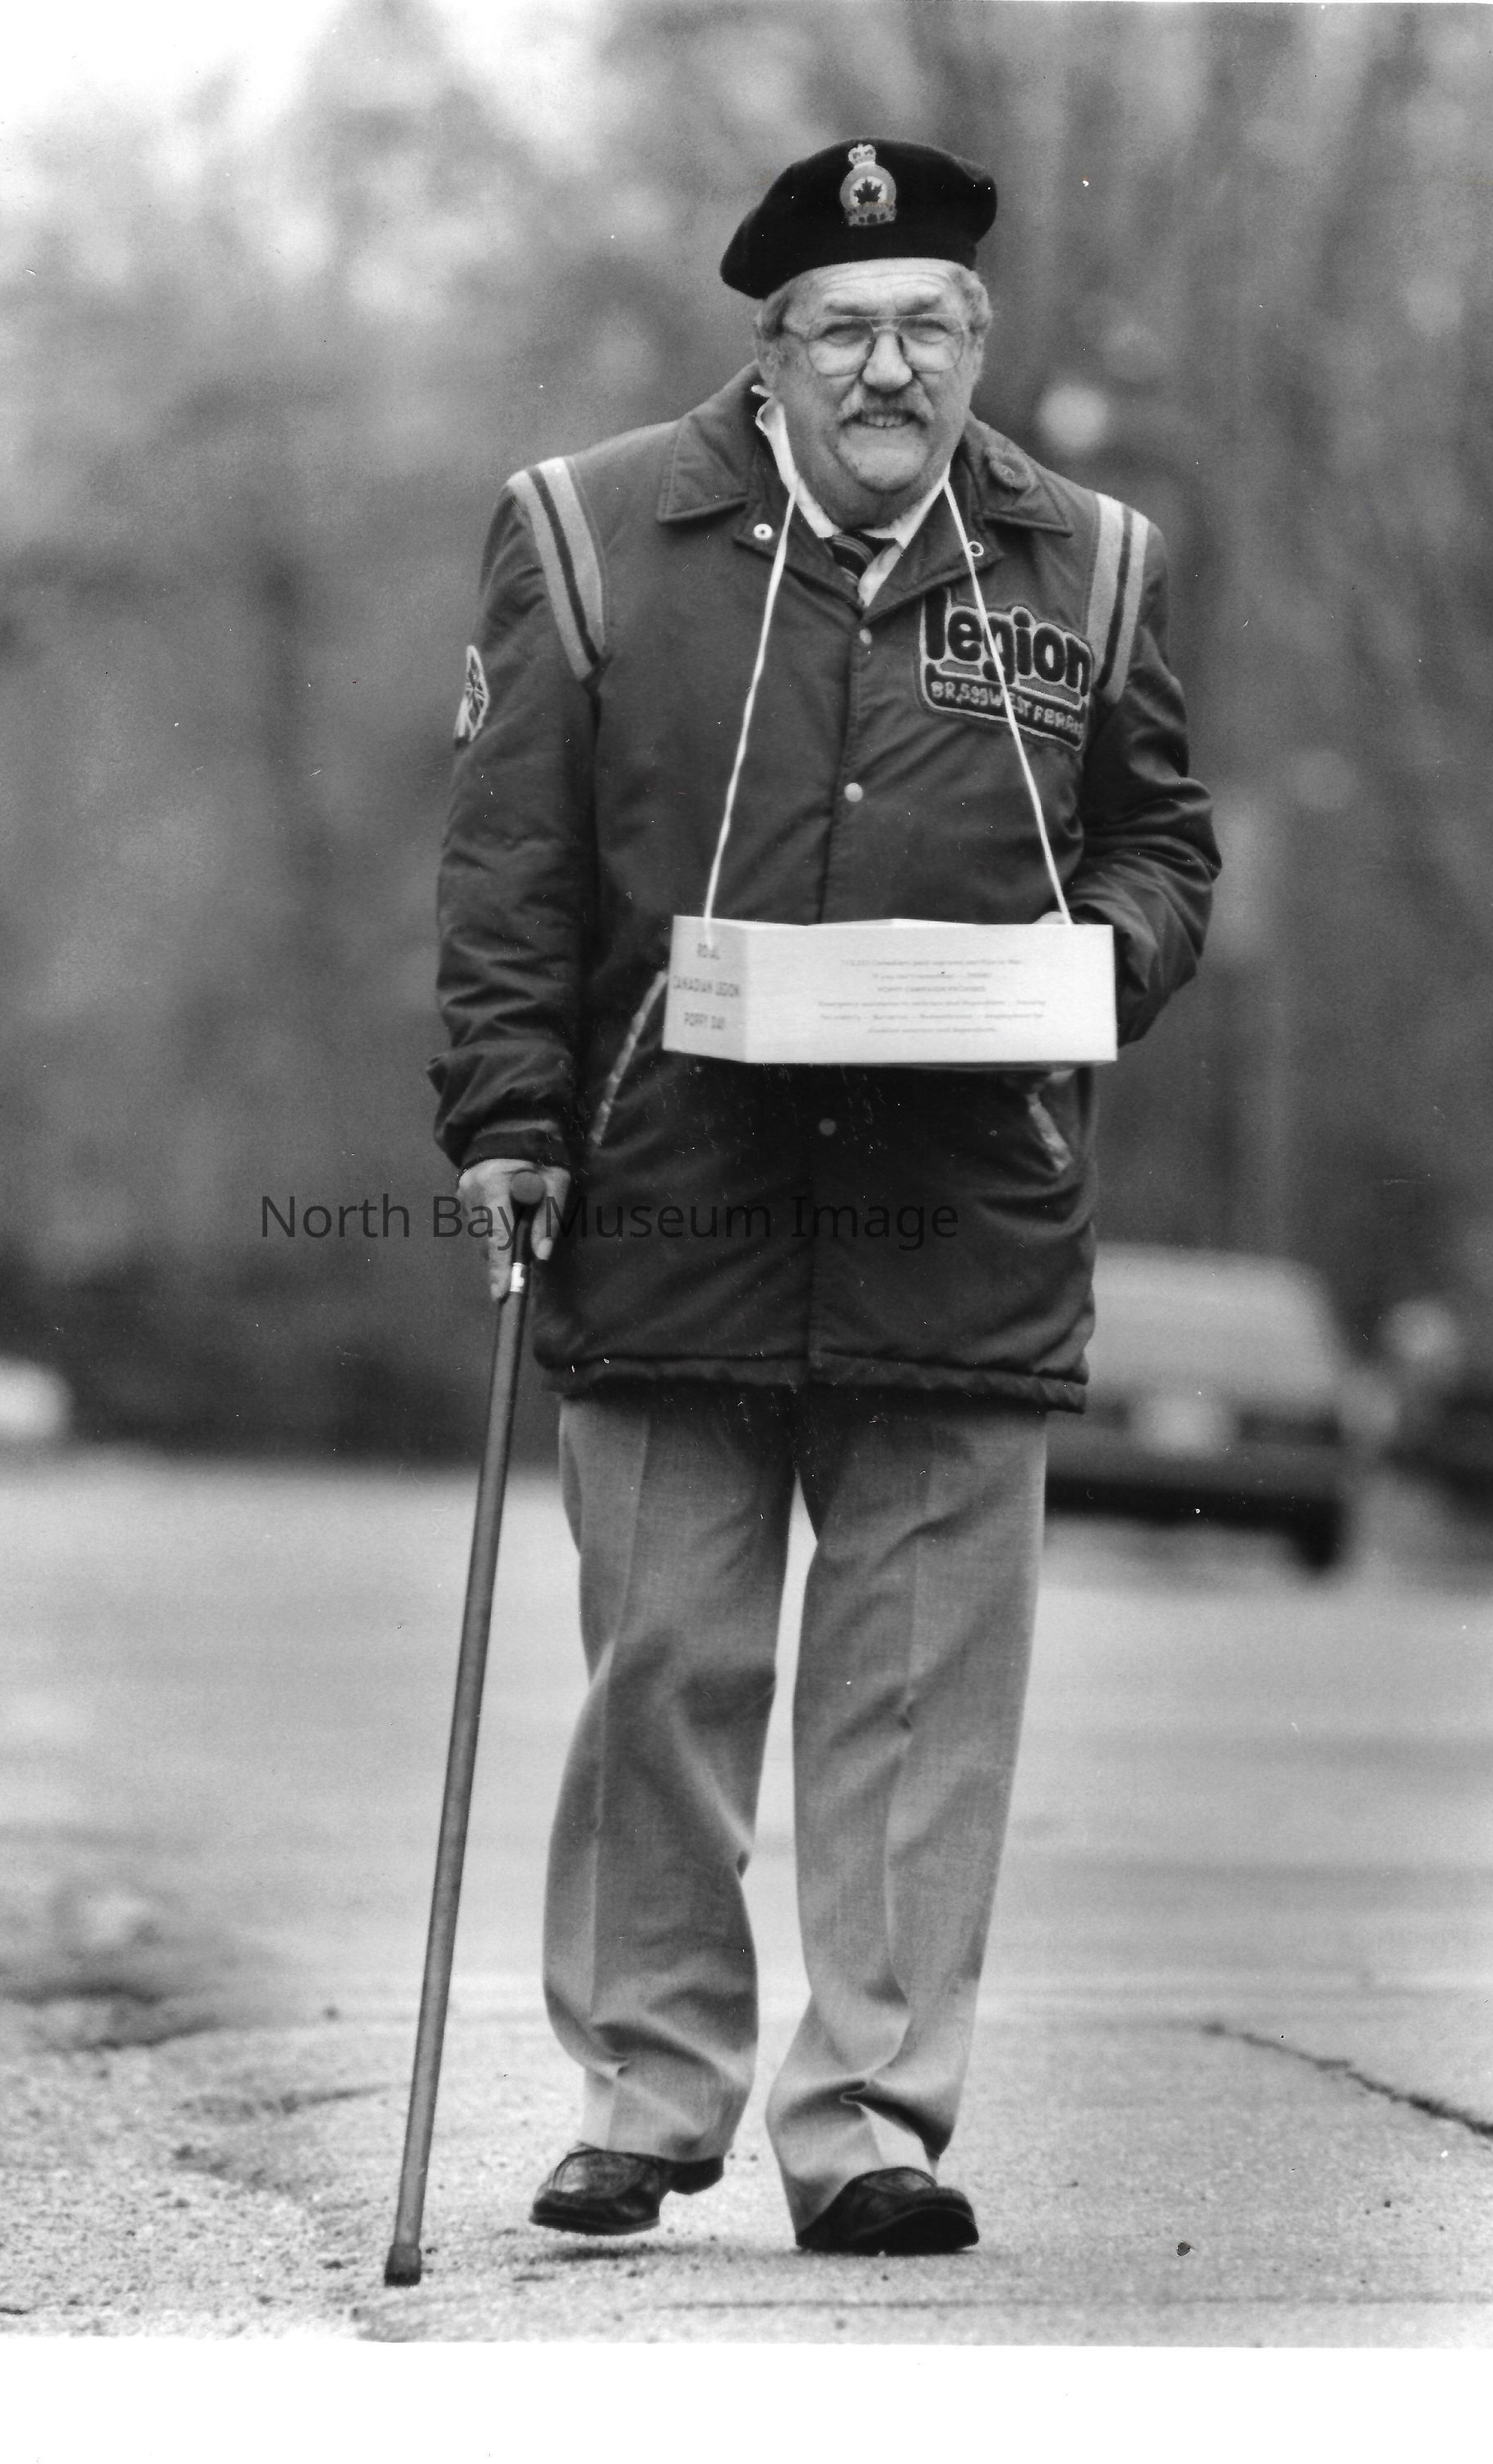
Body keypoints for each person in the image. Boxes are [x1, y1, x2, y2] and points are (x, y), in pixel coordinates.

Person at [430, 137, 1218, 2256]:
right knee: (663, 1673)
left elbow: (1162, 842)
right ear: (770, 352)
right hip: (668, 1191)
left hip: (968, 1212)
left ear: (981, 344)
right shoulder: (589, 532)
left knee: (919, 1703)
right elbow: (509, 868)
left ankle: (870, 2123)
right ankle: (644, 2094)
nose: (893, 370)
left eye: (932, 328)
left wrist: (1100, 964)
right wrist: (507, 1120)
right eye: (849, 330)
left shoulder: (1093, 562)